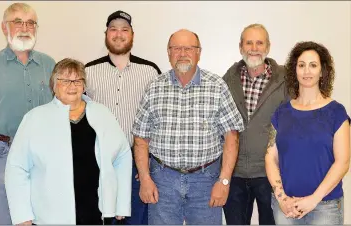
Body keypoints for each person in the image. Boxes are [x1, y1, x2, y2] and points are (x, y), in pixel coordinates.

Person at [131, 29, 245, 225]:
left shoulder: (216, 86)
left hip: (206, 180)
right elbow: (140, 138)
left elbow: (231, 136)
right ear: (168, 53)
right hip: (162, 180)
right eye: (176, 48)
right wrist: (145, 178)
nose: (182, 53)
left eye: (188, 48)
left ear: (198, 52)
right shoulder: (154, 87)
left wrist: (224, 182)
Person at [5, 58, 132, 225]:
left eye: (77, 80)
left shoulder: (102, 114)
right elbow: (16, 168)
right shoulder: (35, 118)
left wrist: (120, 203)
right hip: (50, 215)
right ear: (54, 85)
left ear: (84, 85)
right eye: (65, 80)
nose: (72, 86)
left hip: (95, 211)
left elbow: (122, 155)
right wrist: (22, 216)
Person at [0, 3, 55, 224]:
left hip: (41, 154)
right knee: (1, 218)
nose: (24, 27)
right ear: (4, 27)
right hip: (1, 154)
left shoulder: (49, 65)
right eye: (17, 21)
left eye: (30, 23)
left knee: (41, 217)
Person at [85, 10, 161, 225]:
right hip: (99, 162)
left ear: (132, 35)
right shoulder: (89, 72)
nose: (119, 34)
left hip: (137, 165)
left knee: (136, 220)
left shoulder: (150, 71)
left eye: (124, 30)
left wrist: (148, 166)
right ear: (106, 34)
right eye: (113, 29)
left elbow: (158, 120)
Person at [265, 41, 350, 225]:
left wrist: (313, 200)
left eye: (313, 65)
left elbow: (343, 162)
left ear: (322, 71)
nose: (307, 71)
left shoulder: (336, 112)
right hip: (286, 207)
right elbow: (270, 158)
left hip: (325, 207)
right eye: (301, 65)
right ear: (294, 70)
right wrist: (281, 198)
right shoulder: (281, 113)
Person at [222, 23, 288, 225]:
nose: (254, 48)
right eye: (249, 42)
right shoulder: (228, 79)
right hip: (235, 173)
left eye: (259, 42)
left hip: (271, 173)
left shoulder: (286, 79)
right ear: (241, 47)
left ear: (268, 47)